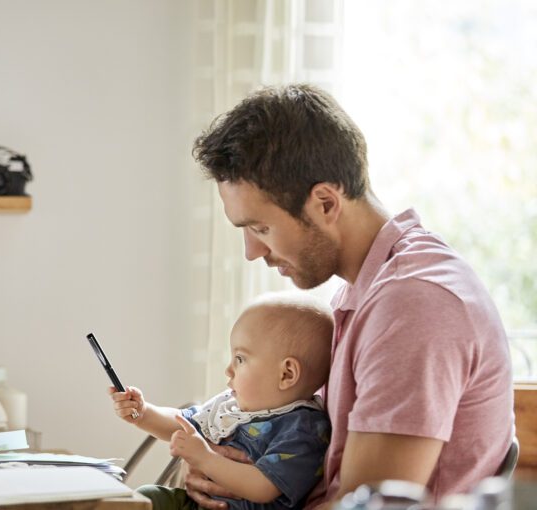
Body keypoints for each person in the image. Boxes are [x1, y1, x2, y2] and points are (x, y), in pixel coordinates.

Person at [185, 84, 513, 509]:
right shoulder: (368, 292)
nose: (252, 252)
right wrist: (224, 471)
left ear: (324, 202)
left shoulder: (413, 304)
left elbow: (365, 506)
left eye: (261, 228)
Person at [111, 293, 334, 510]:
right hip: (195, 503)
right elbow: (183, 424)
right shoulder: (233, 404)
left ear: (286, 374)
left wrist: (205, 458)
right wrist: (143, 412)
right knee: (147, 496)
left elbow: (264, 487)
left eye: (240, 358)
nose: (229, 369)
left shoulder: (304, 428)